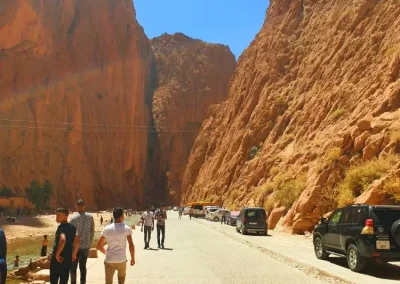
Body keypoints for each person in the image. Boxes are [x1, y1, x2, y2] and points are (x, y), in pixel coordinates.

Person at [97, 207, 135, 284]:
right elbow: (131, 245)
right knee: (121, 280)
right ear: (121, 216)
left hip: (109, 259)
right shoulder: (126, 229)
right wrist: (132, 258)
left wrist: (106, 253)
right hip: (121, 259)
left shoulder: (107, 229)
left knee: (108, 282)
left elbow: (99, 246)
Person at [50, 208, 79, 284]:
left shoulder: (61, 227)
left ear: (66, 216)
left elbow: (63, 240)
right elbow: (77, 241)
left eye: (59, 215)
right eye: (56, 215)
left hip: (58, 258)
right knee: (64, 280)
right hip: (68, 258)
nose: (57, 217)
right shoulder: (73, 228)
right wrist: (74, 254)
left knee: (54, 280)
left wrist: (57, 255)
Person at [70, 199, 95, 284]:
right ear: (84, 206)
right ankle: (83, 282)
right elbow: (92, 232)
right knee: (83, 266)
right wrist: (89, 243)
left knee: (73, 267)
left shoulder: (73, 218)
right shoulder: (90, 217)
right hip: (85, 246)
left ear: (76, 206)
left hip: (74, 247)